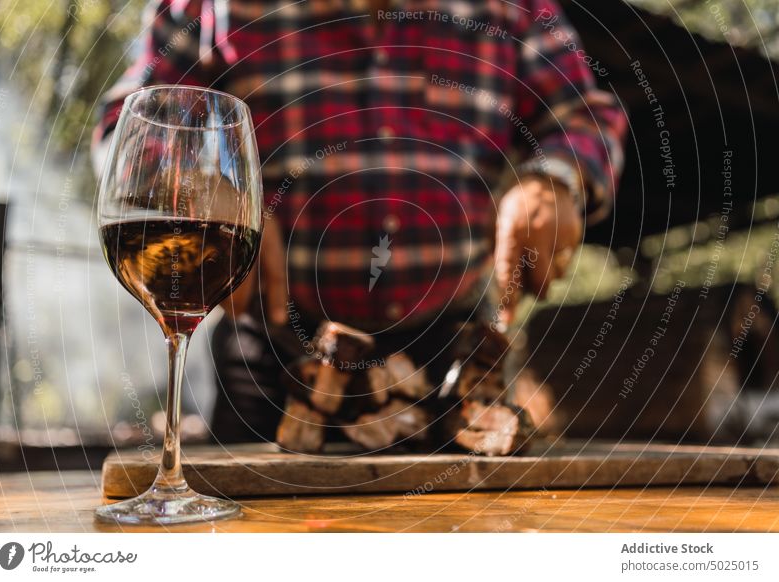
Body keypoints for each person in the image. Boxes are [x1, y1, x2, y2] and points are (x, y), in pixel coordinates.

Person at [94, 0, 626, 446]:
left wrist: (553, 180)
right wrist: (204, 181)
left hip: (456, 356)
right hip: (270, 353)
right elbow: (129, 124)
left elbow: (584, 117)